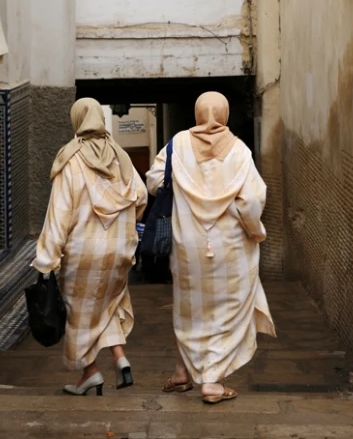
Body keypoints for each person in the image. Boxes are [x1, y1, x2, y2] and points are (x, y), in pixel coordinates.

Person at [146, 91, 275, 404]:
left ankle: (181, 373)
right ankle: (213, 383)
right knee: (226, 311)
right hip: (230, 246)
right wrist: (255, 230)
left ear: (197, 112)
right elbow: (252, 201)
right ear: (225, 113)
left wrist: (183, 186)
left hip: (187, 245)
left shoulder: (177, 145)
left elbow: (153, 181)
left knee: (190, 308)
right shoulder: (239, 151)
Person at [32, 98, 148, 396]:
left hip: (83, 252)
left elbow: (59, 212)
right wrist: (123, 226)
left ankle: (90, 372)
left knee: (79, 312)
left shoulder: (71, 159)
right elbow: (142, 196)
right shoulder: (120, 156)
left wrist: (47, 259)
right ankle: (121, 359)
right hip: (119, 250)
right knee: (108, 304)